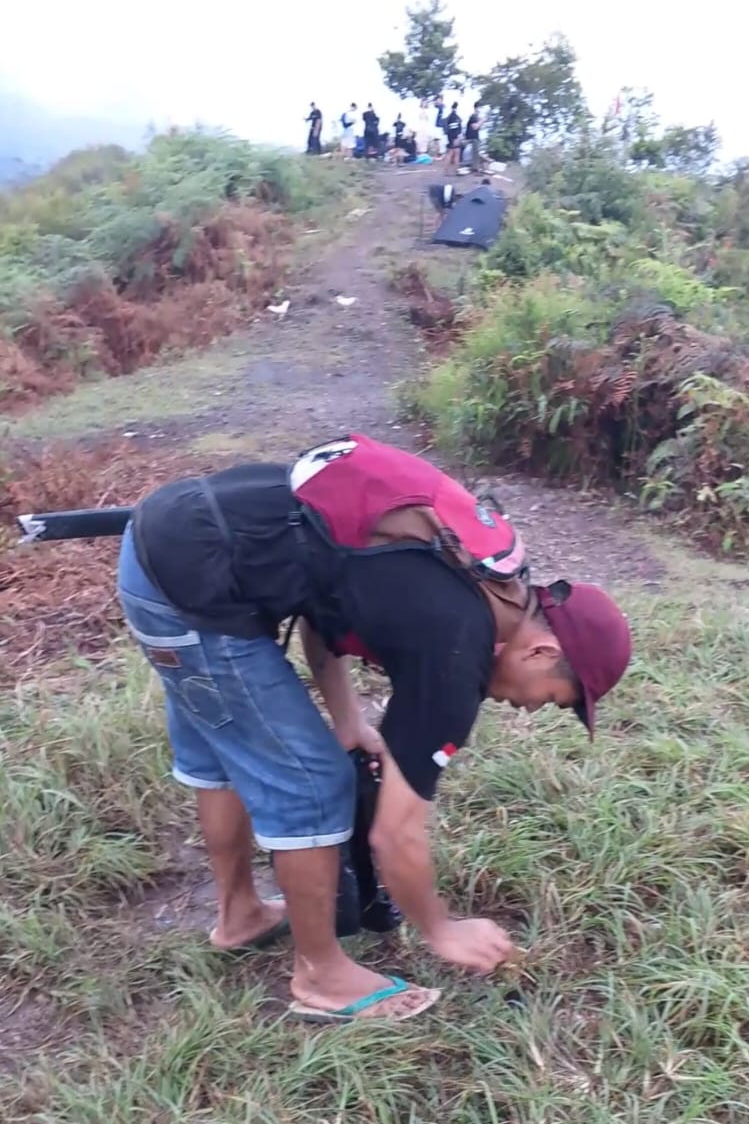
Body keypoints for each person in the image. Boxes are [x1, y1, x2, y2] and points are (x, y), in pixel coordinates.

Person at [116, 434, 631, 1023]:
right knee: (312, 782)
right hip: (192, 587)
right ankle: (321, 975)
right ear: (541, 653)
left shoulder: (489, 574)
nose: (535, 710)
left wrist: (348, 719)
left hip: (177, 537)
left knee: (228, 745)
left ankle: (241, 916)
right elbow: (396, 834)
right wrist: (440, 928)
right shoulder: (458, 650)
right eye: (557, 700)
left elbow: (326, 595)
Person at [443, 102, 463, 170]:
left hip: (450, 136)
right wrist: (457, 137)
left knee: (452, 152)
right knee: (455, 152)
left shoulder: (449, 117)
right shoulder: (454, 117)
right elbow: (455, 128)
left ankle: (448, 170)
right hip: (454, 137)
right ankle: (454, 170)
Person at [465, 105, 482, 173]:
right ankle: (475, 168)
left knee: (476, 152)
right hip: (472, 137)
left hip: (474, 137)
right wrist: (482, 121)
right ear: (476, 108)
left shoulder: (476, 117)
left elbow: (478, 127)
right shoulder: (473, 117)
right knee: (475, 152)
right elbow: (475, 127)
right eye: (479, 108)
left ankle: (475, 167)